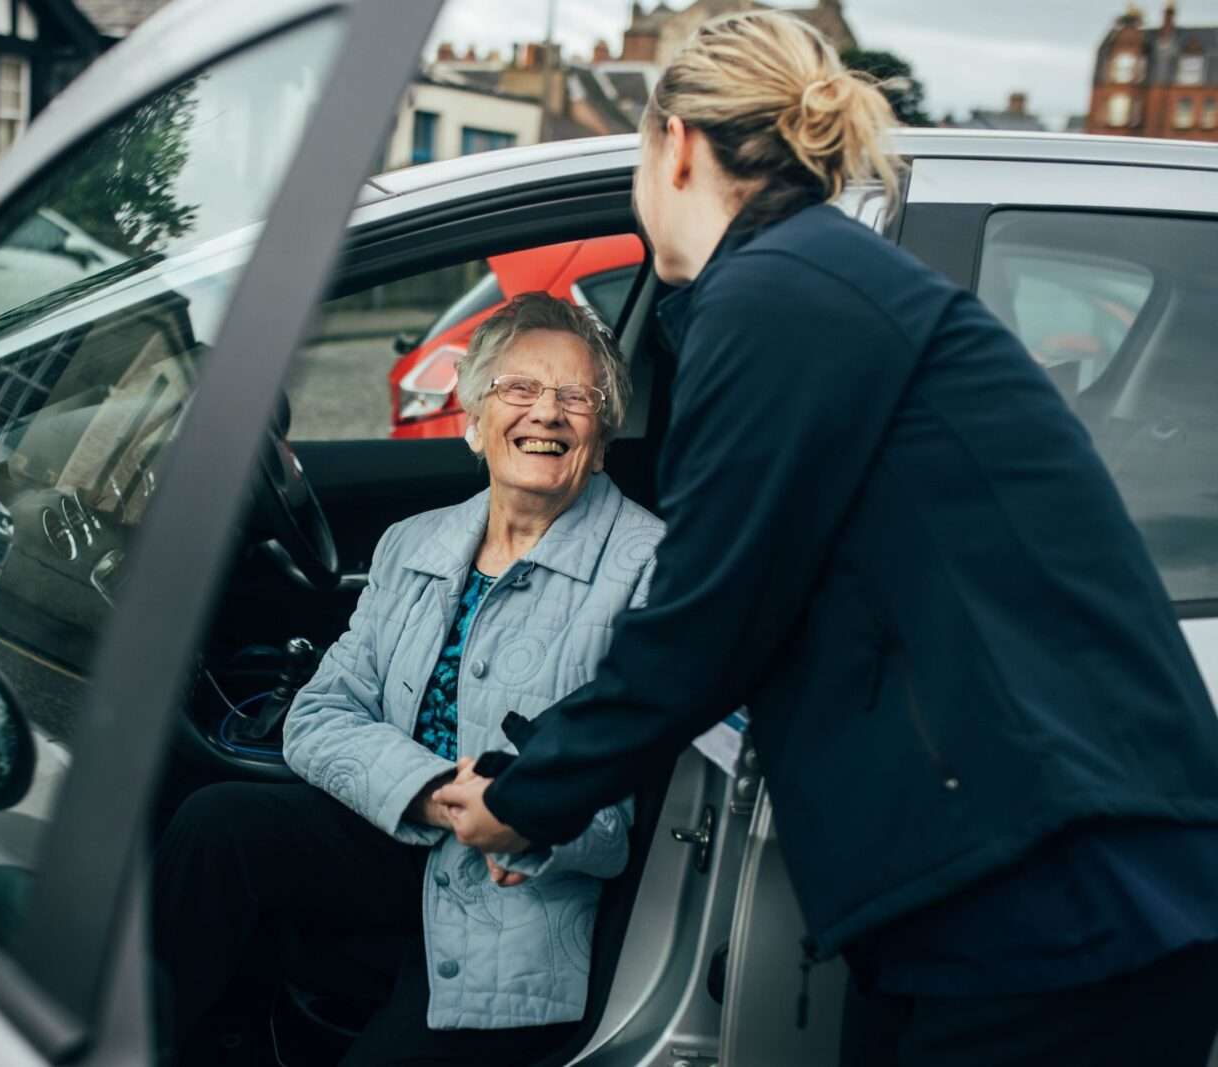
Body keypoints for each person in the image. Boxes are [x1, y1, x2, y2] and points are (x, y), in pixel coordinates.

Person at [436, 12, 1218, 1066]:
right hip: (1007, 886)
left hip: (1055, 895)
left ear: (673, 145)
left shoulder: (780, 297)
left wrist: (525, 794)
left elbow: (710, 613)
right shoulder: (810, 281)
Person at [152, 293, 664, 1065]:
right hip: (398, 834)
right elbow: (319, 714)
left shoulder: (647, 569)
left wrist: (524, 813)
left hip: (516, 902)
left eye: (575, 397)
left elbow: (618, 818)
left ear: (600, 439)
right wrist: (431, 792)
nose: (547, 414)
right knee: (213, 824)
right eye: (519, 389)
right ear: (473, 420)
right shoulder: (413, 544)